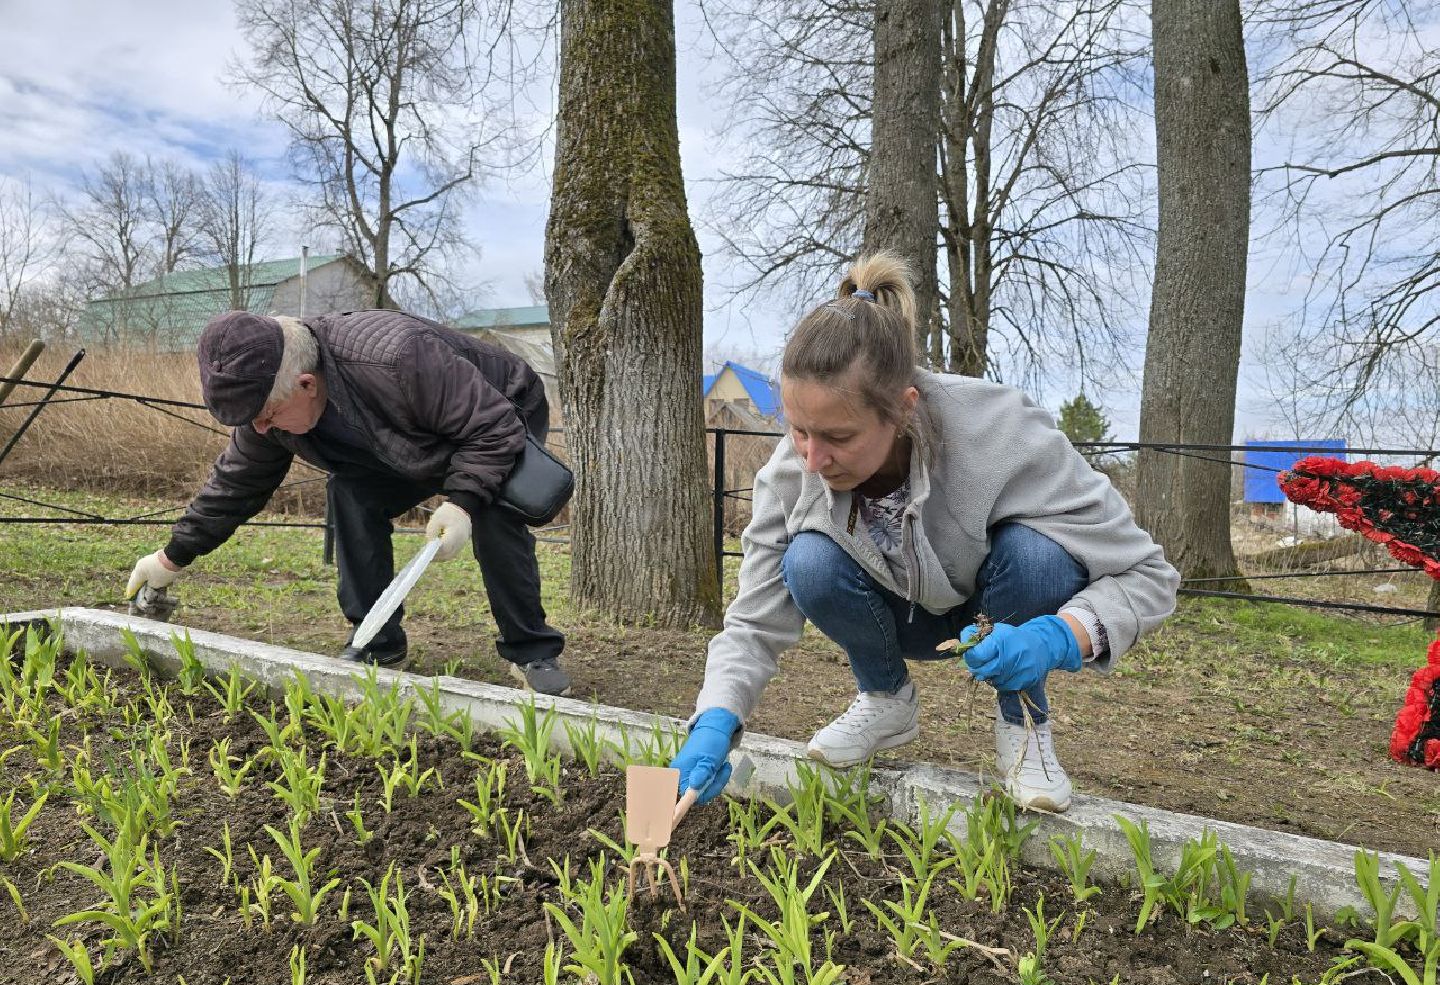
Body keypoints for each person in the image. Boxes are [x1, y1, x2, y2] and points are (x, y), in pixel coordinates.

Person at [670, 252, 1179, 812]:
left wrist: (1058, 638)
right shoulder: (792, 473)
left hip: (999, 612)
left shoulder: (1004, 432)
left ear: (903, 409)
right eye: (797, 430)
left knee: (1040, 558)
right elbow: (754, 616)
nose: (812, 460)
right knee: (807, 561)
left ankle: (1024, 724)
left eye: (837, 436)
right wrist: (717, 717)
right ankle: (886, 698)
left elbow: (1149, 576)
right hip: (889, 616)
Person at [124, 308, 570, 695]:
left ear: (306, 384)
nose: (260, 430)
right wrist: (169, 559)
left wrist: (464, 501)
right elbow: (235, 485)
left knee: (494, 513)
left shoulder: (398, 357)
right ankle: (378, 642)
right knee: (351, 493)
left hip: (496, 413)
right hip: (400, 435)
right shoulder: (269, 397)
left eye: (265, 417)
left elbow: (491, 430)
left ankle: (532, 651)